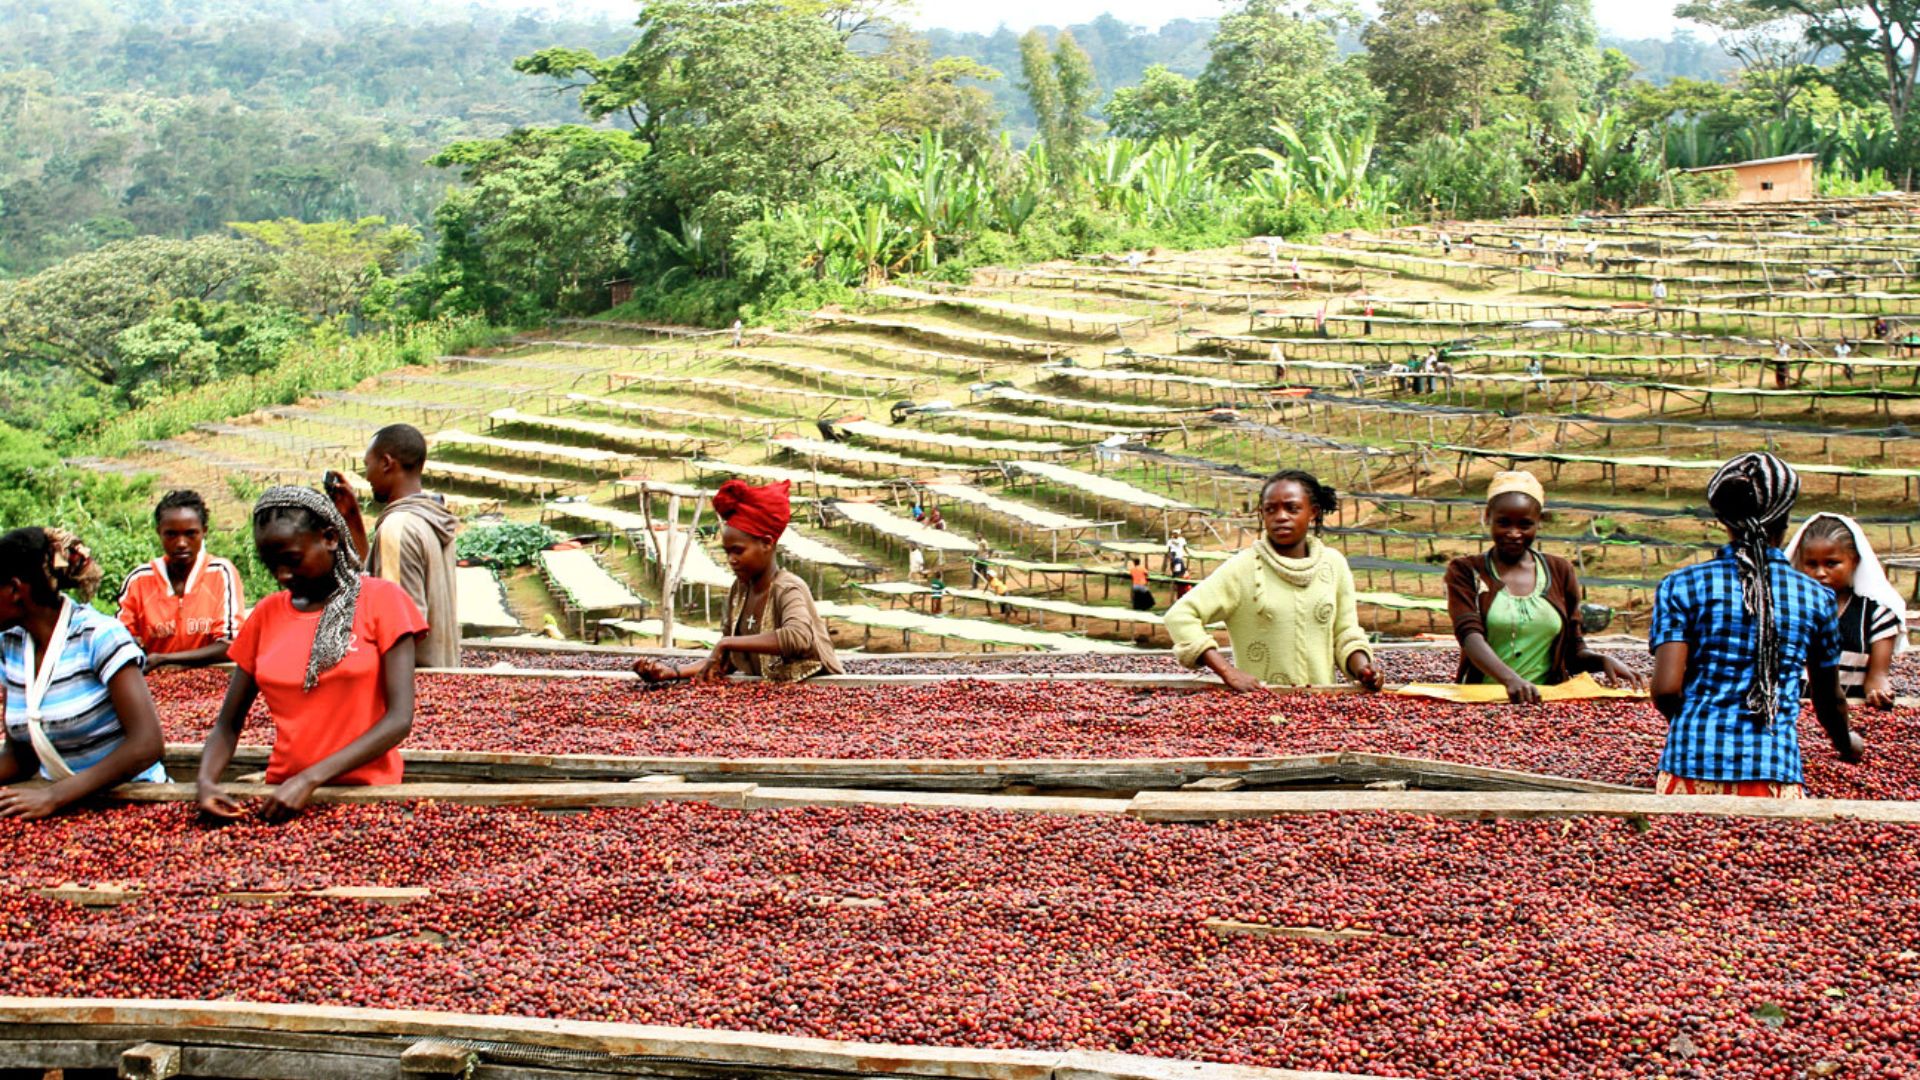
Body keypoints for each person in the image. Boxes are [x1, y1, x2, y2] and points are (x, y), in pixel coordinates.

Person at [197, 487, 427, 823]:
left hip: (369, 798)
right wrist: (204, 782)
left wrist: (310, 778)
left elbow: (398, 721)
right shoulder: (266, 614)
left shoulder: (382, 602)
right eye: (271, 565)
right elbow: (228, 726)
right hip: (282, 799)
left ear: (330, 538)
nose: (282, 576)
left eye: (292, 560)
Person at [1648, 453, 1862, 798]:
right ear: (1787, 518)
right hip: (1773, 772)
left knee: (1685, 851)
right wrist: (1846, 742)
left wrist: (1699, 725)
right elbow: (1828, 698)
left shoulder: (1681, 585)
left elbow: (1666, 690)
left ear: (1722, 518)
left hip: (1688, 768)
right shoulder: (1815, 597)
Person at [0, 528, 166, 820]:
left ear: (15, 590)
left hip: (130, 801)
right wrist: (51, 798)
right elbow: (22, 755)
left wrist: (54, 797)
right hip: (58, 809)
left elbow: (147, 743)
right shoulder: (10, 645)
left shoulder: (99, 636)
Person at [1165, 470, 1382, 693]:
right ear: (1262, 514)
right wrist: (1227, 671)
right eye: (1271, 509)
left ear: (1313, 513)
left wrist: (1364, 669)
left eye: (1292, 508)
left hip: (1322, 706)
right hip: (1261, 709)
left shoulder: (1333, 564)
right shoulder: (1244, 568)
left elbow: (1345, 632)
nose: (1280, 516)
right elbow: (1180, 615)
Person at [1444, 472, 1644, 703]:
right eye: (1503, 523)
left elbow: (1573, 649)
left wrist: (1601, 661)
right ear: (1488, 517)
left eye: (1525, 524)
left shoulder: (1560, 571)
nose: (1514, 533)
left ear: (1539, 522)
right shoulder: (1466, 571)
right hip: (1481, 701)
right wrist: (1511, 681)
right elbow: (1469, 636)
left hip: (1546, 701)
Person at [632, 480, 842, 684]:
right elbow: (727, 659)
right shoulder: (740, 590)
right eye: (728, 552)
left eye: (738, 551)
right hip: (770, 694)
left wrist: (726, 643)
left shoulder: (787, 588)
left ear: (767, 544)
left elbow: (797, 637)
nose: (731, 560)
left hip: (815, 688)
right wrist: (671, 673)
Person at [326, 424, 459, 669]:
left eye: (368, 465)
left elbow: (398, 627)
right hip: (441, 672)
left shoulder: (397, 528)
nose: (366, 476)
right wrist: (353, 519)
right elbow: (380, 582)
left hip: (411, 685)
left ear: (387, 463)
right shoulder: (431, 519)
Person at [1788, 513, 1909, 709]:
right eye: (1811, 564)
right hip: (1793, 716)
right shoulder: (1788, 612)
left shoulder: (1875, 617)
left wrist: (1879, 693)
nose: (1820, 573)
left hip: (1848, 718)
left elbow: (1877, 676)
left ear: (1854, 561)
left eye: (1831, 563)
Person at [115, 490, 246, 669]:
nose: (181, 543)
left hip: (213, 678)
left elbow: (230, 645)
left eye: (190, 534)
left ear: (204, 532)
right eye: (171, 535)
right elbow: (119, 640)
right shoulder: (139, 580)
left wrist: (165, 659)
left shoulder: (220, 573)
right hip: (156, 681)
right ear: (159, 533)